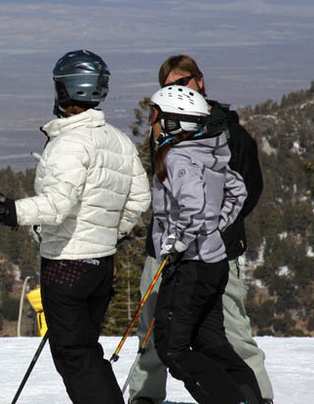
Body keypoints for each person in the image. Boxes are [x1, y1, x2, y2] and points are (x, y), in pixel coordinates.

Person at [0, 50, 151, 404]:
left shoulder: (69, 144)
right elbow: (139, 199)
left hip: (67, 264)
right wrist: (108, 233)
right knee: (85, 352)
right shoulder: (118, 140)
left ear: (66, 91)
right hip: (101, 264)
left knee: (74, 356)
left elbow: (55, 206)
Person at [128, 55, 273, 404]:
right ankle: (146, 394)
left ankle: (254, 396)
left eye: (181, 83)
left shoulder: (228, 133)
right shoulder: (166, 130)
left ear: (199, 81)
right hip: (170, 246)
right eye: (168, 86)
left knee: (228, 329)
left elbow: (246, 188)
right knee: (156, 325)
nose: (174, 91)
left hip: (206, 250)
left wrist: (211, 228)